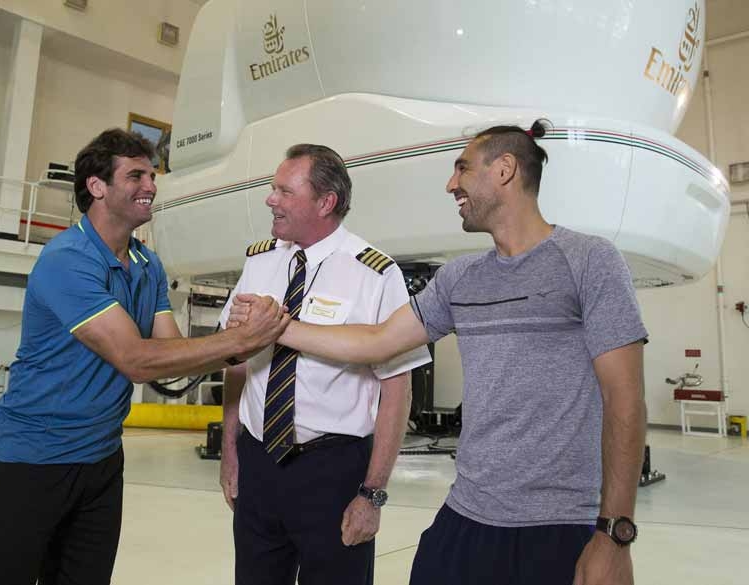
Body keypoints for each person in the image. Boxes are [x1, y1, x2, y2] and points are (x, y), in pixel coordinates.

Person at [230, 121, 648, 585]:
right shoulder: (460, 278)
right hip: (467, 512)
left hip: (558, 522)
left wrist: (614, 534)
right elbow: (376, 341)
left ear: (505, 170)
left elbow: (624, 401)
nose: (451, 184)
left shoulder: (589, 262)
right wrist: (277, 327)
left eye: (462, 168)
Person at [0, 128, 288, 585]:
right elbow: (136, 360)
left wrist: (238, 336)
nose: (150, 185)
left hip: (101, 459)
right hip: (32, 458)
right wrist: (239, 341)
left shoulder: (147, 265)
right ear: (96, 186)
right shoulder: (67, 259)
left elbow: (172, 354)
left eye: (152, 175)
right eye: (136, 176)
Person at [218, 144, 432, 585]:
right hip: (259, 461)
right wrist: (230, 451)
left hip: (333, 472)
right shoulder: (259, 261)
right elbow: (236, 361)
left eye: (284, 191)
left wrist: (372, 493)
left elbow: (397, 390)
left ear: (325, 202)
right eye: (273, 188)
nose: (270, 199)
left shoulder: (375, 273)